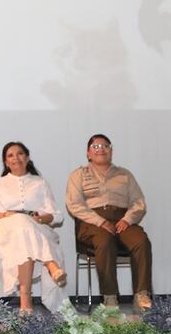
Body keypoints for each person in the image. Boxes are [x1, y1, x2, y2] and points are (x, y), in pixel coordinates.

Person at [65, 133, 153, 311]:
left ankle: (141, 295)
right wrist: (100, 221)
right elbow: (74, 204)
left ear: (111, 151)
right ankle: (110, 297)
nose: (101, 149)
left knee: (141, 241)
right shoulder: (79, 175)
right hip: (92, 223)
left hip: (122, 220)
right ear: (88, 153)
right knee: (104, 242)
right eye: (96, 146)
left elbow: (138, 202)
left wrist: (127, 219)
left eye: (105, 146)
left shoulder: (124, 174)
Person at [0, 141, 66, 313]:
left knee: (24, 230)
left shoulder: (40, 182)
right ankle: (51, 264)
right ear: (5, 162)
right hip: (6, 229)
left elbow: (56, 215)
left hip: (37, 226)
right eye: (10, 155)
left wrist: (41, 218)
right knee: (20, 223)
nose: (16, 158)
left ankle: (25, 301)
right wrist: (7, 215)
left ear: (27, 157)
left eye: (20, 153)